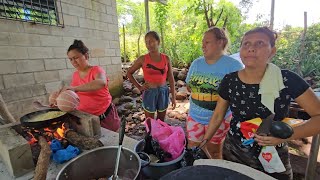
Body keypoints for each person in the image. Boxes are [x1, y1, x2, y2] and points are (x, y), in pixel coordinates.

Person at [203, 27, 320, 179]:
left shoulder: (286, 79)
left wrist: (285, 136)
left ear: (272, 51)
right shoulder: (230, 80)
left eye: (259, 43)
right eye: (246, 44)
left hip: (273, 154)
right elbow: (218, 114)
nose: (251, 48)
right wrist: (205, 140)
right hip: (234, 151)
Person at [185, 27, 244, 159]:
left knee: (214, 151)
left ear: (220, 42)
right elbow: (189, 86)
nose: (203, 45)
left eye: (207, 42)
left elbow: (238, 97)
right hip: (194, 117)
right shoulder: (196, 63)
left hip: (220, 120)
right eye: (202, 43)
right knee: (193, 149)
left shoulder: (234, 66)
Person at [63, 39, 120, 132]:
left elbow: (101, 82)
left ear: (86, 55)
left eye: (76, 57)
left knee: (113, 141)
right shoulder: (75, 75)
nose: (73, 61)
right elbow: (75, 96)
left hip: (104, 117)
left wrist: (75, 89)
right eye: (71, 59)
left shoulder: (97, 70)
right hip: (86, 119)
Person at [127, 31, 176, 121]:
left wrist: (173, 97)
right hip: (149, 92)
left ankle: (158, 134)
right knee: (150, 121)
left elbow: (171, 79)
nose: (149, 44)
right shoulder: (143, 59)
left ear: (158, 41)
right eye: (146, 42)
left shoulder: (166, 58)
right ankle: (149, 135)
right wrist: (139, 87)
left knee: (161, 121)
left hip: (163, 92)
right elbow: (129, 73)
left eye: (151, 41)